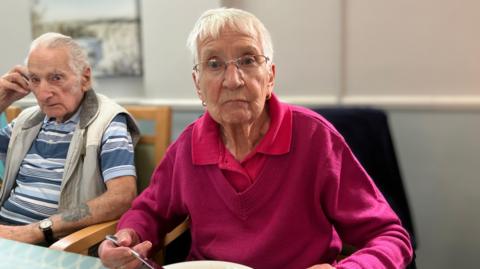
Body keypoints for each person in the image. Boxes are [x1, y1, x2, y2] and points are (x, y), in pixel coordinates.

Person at [99, 8, 413, 269]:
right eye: (214, 64)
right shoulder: (188, 145)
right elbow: (150, 210)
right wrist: (127, 235)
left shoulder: (315, 138)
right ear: (198, 85)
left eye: (248, 60)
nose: (233, 80)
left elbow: (391, 237)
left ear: (270, 76)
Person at [0, 32, 140, 245]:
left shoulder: (107, 122)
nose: (44, 93)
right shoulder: (26, 121)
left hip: (56, 245)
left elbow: (122, 197)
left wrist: (37, 231)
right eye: (35, 80)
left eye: (56, 78)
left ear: (85, 78)